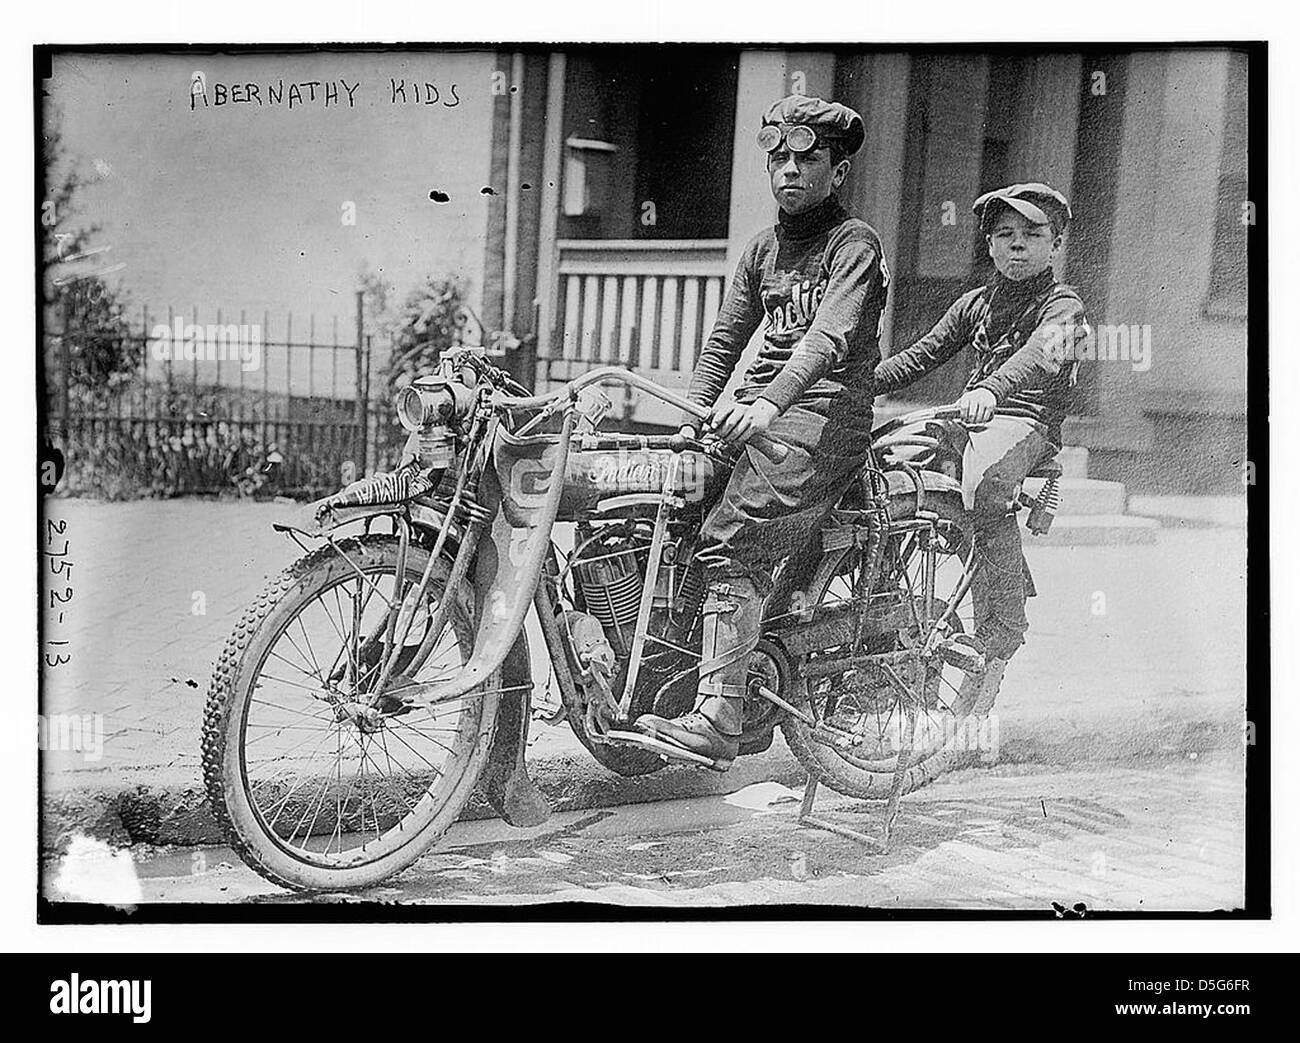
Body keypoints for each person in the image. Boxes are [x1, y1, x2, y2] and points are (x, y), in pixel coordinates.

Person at [634, 95, 890, 768]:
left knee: (731, 539)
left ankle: (721, 718)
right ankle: (662, 683)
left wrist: (766, 406)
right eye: (779, 158)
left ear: (838, 172)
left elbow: (827, 341)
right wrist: (693, 419)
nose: (790, 171)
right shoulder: (762, 248)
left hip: (824, 419)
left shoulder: (853, 244)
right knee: (671, 503)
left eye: (809, 159)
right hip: (765, 412)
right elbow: (725, 342)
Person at [872, 182, 1089, 720]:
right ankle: (875, 625)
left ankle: (1000, 640)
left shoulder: (1064, 306)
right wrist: (856, 386)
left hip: (1026, 423)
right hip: (971, 417)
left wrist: (991, 390)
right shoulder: (977, 303)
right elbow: (922, 354)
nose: (1017, 245)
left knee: (984, 489)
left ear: (1055, 242)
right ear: (989, 245)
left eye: (1032, 234)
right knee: (884, 477)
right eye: (1004, 235)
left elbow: (1040, 357)